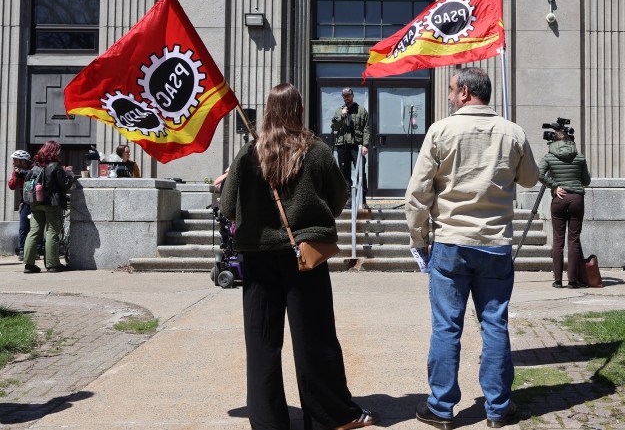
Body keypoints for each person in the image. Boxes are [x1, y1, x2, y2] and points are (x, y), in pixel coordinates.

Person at [220, 83, 379, 430]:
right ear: (299, 110)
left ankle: (267, 422)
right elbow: (338, 198)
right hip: (304, 255)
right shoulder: (317, 151)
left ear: (268, 110)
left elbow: (229, 208)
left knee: (262, 342)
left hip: (258, 257)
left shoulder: (249, 154)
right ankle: (329, 416)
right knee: (314, 338)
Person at [405, 68, 539, 429]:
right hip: (495, 243)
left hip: (451, 242)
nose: (449, 96)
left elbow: (417, 194)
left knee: (447, 326)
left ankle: (442, 406)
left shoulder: (441, 130)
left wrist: (419, 239)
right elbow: (530, 178)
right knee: (494, 324)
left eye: (451, 90)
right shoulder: (512, 132)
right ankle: (498, 408)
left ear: (464, 92)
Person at [538, 130, 591, 289]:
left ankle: (558, 280)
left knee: (558, 240)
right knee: (573, 240)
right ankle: (573, 281)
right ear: (569, 140)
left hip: (559, 199)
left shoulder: (549, 156)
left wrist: (554, 186)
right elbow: (586, 181)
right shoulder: (579, 156)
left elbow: (539, 175)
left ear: (553, 141)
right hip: (576, 199)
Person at [23, 141, 74, 274]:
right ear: (53, 150)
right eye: (58, 150)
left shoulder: (35, 166)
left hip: (35, 203)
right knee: (52, 232)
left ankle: (29, 265)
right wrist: (69, 174)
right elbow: (65, 184)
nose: (59, 152)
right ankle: (52, 264)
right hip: (52, 204)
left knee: (34, 232)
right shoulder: (55, 166)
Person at [330, 87, 370, 207]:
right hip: (342, 145)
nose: (346, 98)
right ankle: (347, 198)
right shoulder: (339, 111)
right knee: (344, 173)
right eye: (344, 96)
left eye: (348, 96)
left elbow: (366, 129)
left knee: (360, 171)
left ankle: (362, 199)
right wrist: (342, 117)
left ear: (353, 96)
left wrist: (365, 145)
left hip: (357, 145)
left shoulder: (361, 110)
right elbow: (334, 127)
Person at [8, 150, 43, 261]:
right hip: (25, 201)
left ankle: (37, 250)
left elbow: (39, 178)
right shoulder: (16, 171)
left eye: (15, 160)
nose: (13, 162)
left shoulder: (34, 168)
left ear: (23, 161)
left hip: (37, 200)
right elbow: (11, 186)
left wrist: (25, 173)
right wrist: (17, 176)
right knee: (23, 227)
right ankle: (22, 250)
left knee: (37, 226)